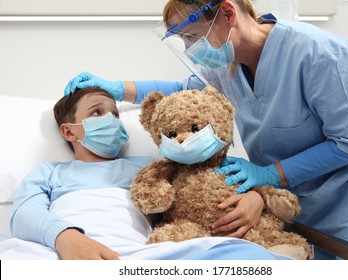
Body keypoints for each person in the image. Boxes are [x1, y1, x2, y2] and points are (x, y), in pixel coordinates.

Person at [63, 0, 348, 259]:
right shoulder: (226, 64)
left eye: (191, 36)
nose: (190, 48)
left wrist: (270, 175)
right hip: (297, 206)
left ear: (228, 14)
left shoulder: (320, 53)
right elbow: (185, 89)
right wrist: (117, 88)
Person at [5, 86, 287, 260]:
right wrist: (65, 238)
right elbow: (24, 215)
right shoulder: (51, 172)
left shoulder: (150, 166)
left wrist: (256, 199)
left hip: (141, 256)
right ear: (69, 131)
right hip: (59, 251)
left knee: (248, 258)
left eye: (115, 114)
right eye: (96, 113)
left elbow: (210, 179)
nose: (111, 120)